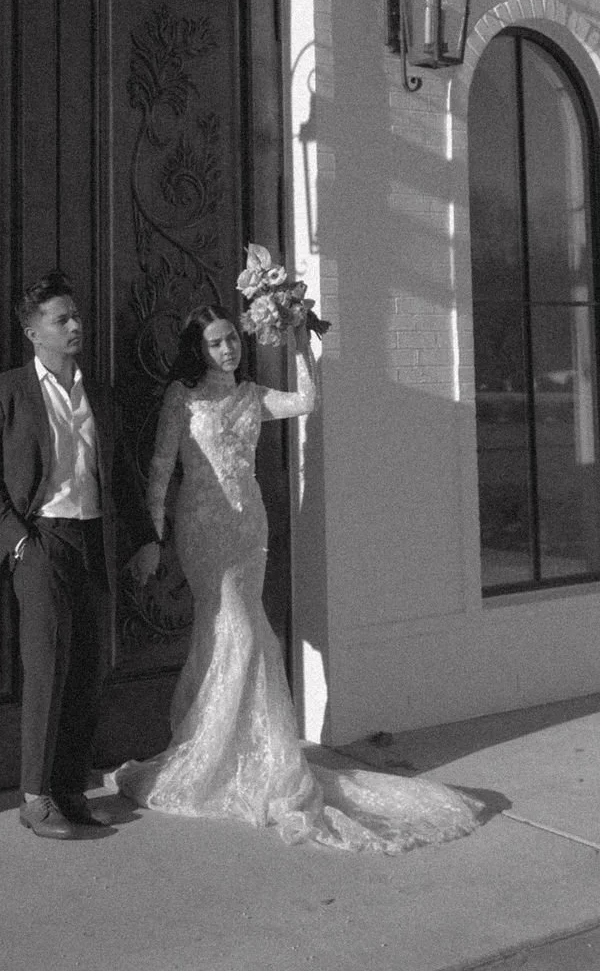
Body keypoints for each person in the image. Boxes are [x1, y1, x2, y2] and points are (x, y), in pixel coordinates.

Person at [114, 305, 484, 853]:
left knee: (237, 635)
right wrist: (153, 534)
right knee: (236, 633)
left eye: (234, 341)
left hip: (249, 528)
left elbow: (308, 401)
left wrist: (299, 342)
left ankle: (248, 754)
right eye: (216, 344)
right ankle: (215, 753)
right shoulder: (183, 398)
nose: (228, 351)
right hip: (201, 529)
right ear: (199, 349)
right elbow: (162, 466)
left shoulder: (252, 395)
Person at [0, 270, 157, 840]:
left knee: (89, 670)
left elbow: (121, 473)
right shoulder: (5, 392)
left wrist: (146, 538)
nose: (75, 326)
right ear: (33, 332)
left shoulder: (99, 392)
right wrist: (20, 541)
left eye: (76, 316)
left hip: (93, 542)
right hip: (42, 541)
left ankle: (72, 789)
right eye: (61, 319)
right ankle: (35, 796)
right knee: (47, 669)